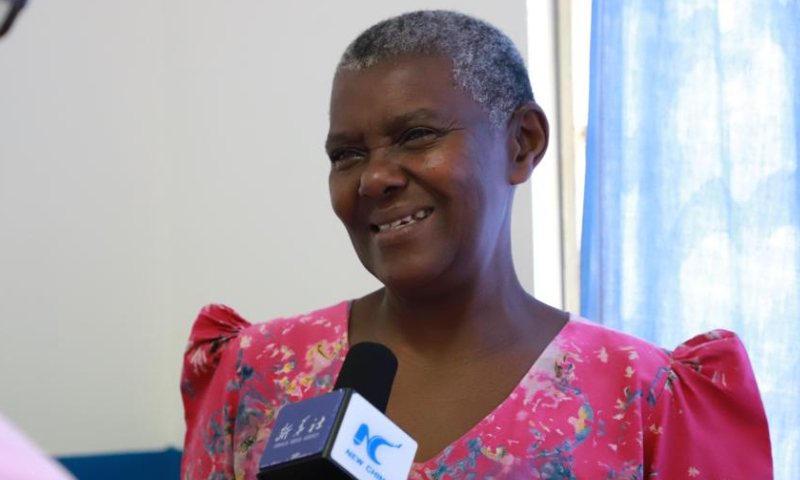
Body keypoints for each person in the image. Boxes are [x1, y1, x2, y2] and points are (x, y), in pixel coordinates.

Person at [180, 10, 772, 479]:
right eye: (347, 155)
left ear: (522, 143)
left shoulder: (644, 396)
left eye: (416, 136)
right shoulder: (254, 371)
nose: (375, 177)